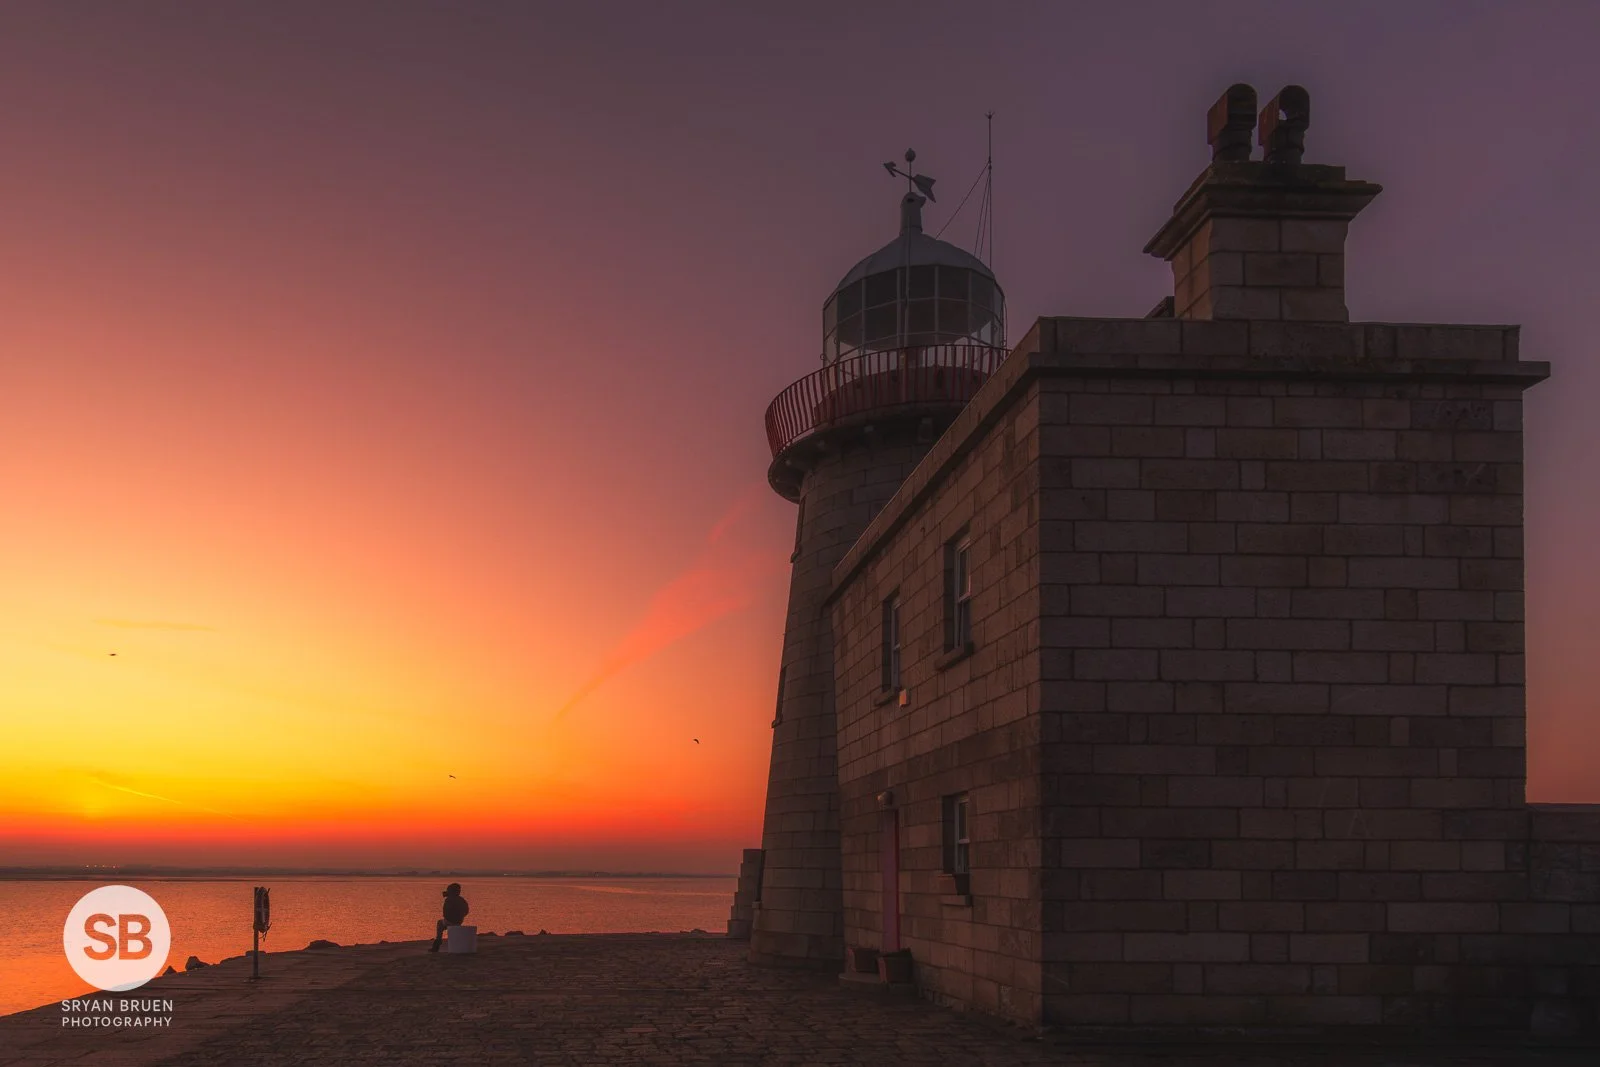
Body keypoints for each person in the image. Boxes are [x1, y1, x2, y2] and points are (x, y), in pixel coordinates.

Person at [429, 882, 470, 952]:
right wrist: (461, 917)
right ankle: (439, 941)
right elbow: (466, 911)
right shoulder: (462, 899)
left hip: (450, 921)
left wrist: (447, 919)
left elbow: (445, 912)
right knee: (443, 923)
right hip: (459, 921)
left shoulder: (449, 900)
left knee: (439, 923)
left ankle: (438, 942)